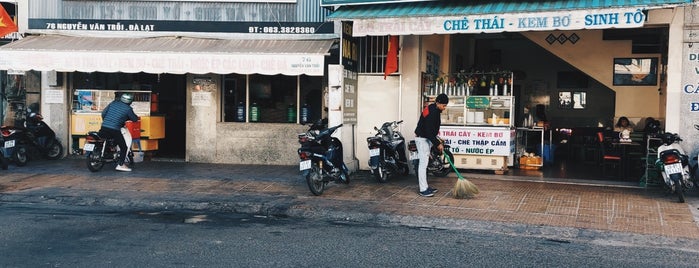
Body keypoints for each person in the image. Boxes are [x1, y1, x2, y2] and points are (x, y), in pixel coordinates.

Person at [414, 93, 448, 197]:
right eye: (443, 105)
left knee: (425, 164)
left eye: (445, 105)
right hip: (422, 139)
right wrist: (437, 144)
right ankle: (423, 189)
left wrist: (437, 139)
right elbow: (428, 131)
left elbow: (430, 130)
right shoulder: (432, 112)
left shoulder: (434, 109)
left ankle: (426, 186)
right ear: (438, 103)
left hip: (426, 138)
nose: (444, 107)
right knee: (423, 165)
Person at [99, 92, 139, 172]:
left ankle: (110, 151)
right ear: (130, 101)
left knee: (108, 140)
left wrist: (106, 121)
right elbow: (134, 119)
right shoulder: (128, 109)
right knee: (124, 147)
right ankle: (121, 164)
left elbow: (103, 113)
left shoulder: (113, 103)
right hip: (115, 129)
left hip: (104, 127)